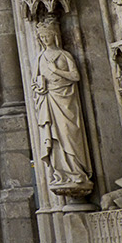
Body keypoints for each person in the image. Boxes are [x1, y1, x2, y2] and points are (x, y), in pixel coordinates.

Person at [33, 19, 91, 199]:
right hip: (49, 100)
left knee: (68, 133)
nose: (45, 39)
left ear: (55, 35)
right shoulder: (40, 58)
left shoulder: (64, 55)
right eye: (42, 36)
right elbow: (36, 83)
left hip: (66, 100)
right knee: (54, 136)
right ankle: (61, 174)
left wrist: (56, 71)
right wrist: (39, 86)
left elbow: (75, 75)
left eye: (47, 35)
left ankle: (77, 172)